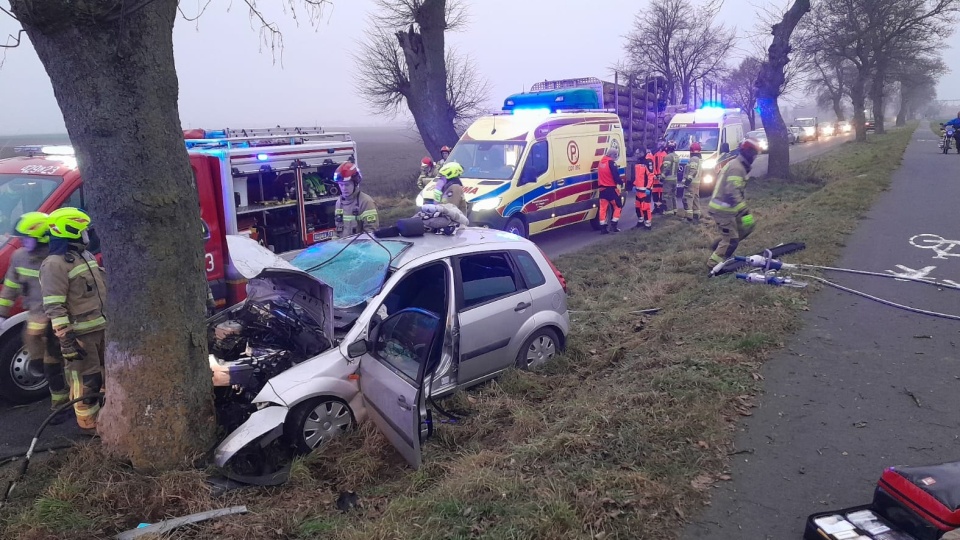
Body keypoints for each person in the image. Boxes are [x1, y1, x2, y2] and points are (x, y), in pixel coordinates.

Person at [40, 207, 107, 432]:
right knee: (87, 382)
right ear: (71, 231)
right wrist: (66, 339)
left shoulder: (84, 256)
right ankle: (88, 426)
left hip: (101, 327)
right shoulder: (54, 264)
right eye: (84, 230)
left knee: (103, 378)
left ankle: (104, 422)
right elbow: (54, 305)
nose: (87, 234)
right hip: (80, 336)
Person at [0, 212, 69, 420]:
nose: (22, 242)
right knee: (33, 345)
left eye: (26, 238)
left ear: (41, 238)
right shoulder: (19, 257)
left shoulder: (56, 260)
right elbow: (11, 287)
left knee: (53, 363)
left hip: (57, 317)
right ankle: (47, 374)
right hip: (36, 315)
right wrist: (2, 313)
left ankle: (61, 406)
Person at [707, 139, 761, 268]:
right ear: (748, 153)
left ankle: (718, 246)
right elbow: (732, 191)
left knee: (749, 226)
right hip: (723, 210)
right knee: (731, 240)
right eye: (754, 154)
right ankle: (714, 263)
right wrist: (744, 210)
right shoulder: (737, 168)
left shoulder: (738, 165)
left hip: (732, 209)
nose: (754, 157)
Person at [334, 161, 379, 238]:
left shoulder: (366, 202)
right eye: (341, 184)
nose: (344, 188)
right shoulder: (339, 203)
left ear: (355, 183)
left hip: (360, 248)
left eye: (347, 184)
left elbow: (370, 232)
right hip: (343, 247)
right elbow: (338, 230)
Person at [597, 146, 623, 234]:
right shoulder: (611, 163)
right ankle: (614, 225)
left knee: (603, 209)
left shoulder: (601, 162)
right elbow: (615, 176)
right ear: (612, 155)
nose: (616, 157)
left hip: (602, 190)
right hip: (611, 189)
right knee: (618, 206)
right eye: (615, 155)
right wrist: (620, 182)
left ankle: (603, 228)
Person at [678, 142, 703, 222]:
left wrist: (687, 182)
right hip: (696, 182)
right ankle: (696, 215)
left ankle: (688, 218)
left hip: (691, 183)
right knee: (695, 199)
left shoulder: (693, 159)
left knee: (687, 199)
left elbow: (693, 171)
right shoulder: (699, 159)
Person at [633, 149, 655, 230]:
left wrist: (648, 188)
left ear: (643, 152)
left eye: (638, 153)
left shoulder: (648, 161)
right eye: (636, 153)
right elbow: (637, 176)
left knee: (645, 208)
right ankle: (640, 221)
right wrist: (634, 184)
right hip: (638, 189)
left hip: (645, 189)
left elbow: (650, 176)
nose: (637, 154)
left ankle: (648, 225)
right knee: (638, 207)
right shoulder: (638, 161)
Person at [660, 140, 679, 216]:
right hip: (675, 179)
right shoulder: (676, 156)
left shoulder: (668, 157)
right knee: (673, 195)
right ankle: (675, 210)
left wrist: (662, 177)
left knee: (667, 195)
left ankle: (669, 211)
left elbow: (666, 168)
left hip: (668, 179)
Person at [652, 139, 667, 214]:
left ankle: (661, 208)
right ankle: (656, 207)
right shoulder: (655, 154)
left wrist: (662, 175)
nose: (660, 144)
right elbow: (653, 164)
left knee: (661, 192)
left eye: (662, 143)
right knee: (655, 192)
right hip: (655, 176)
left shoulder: (666, 154)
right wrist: (654, 174)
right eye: (659, 142)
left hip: (662, 176)